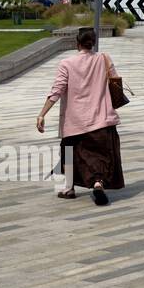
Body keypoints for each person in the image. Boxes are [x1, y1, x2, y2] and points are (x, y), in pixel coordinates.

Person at [36, 27, 125, 206]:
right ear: (93, 42)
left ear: (77, 42)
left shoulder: (66, 63)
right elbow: (115, 81)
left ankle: (68, 188)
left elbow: (57, 90)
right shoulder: (104, 59)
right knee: (100, 155)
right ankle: (98, 183)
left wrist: (42, 114)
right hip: (101, 117)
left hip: (74, 120)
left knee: (68, 151)